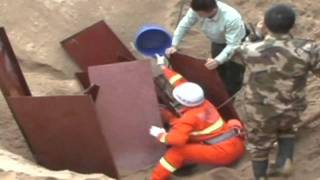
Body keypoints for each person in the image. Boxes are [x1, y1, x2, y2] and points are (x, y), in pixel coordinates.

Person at [234, 4, 320, 180]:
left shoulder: (250, 50)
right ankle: (285, 161)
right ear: (293, 25)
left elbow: (237, 55)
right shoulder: (309, 50)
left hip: (260, 111)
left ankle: (260, 177)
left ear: (265, 24)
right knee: (288, 129)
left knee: (258, 146)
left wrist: (256, 34)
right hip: (292, 106)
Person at [149, 67, 245, 180]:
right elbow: (182, 84)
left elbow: (176, 140)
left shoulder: (189, 118)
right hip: (237, 144)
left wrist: (160, 135)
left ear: (181, 102)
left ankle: (156, 178)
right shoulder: (206, 103)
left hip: (223, 154)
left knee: (177, 152)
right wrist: (164, 68)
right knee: (232, 122)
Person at [166, 0, 247, 96]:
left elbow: (233, 45)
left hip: (237, 42)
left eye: (199, 14)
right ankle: (221, 85)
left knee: (234, 70)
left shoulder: (232, 18)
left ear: (212, 10)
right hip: (218, 41)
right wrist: (174, 44)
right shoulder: (197, 10)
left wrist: (218, 60)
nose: (196, 15)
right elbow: (184, 25)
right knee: (219, 67)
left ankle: (231, 93)